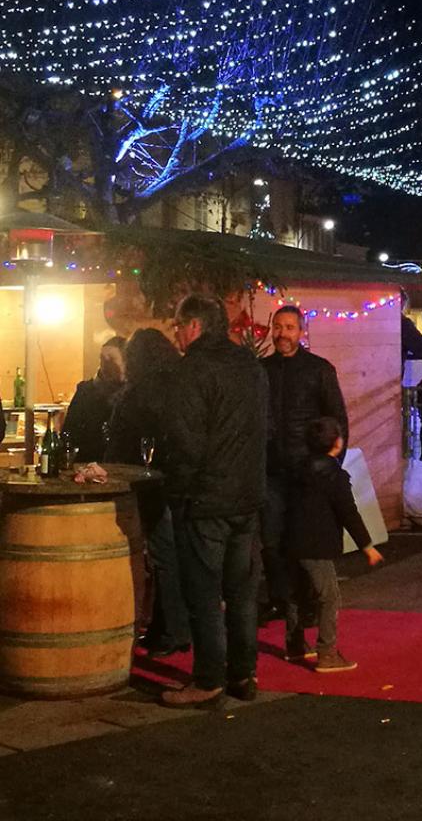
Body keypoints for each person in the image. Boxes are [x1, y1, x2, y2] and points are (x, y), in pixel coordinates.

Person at [160, 294, 268, 708]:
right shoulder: (250, 366)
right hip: (246, 496)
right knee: (241, 593)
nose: (175, 334)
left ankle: (208, 678)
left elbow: (185, 441)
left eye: (177, 325)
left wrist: (181, 491)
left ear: (194, 326)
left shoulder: (191, 371)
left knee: (204, 593)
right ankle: (243, 675)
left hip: (206, 500)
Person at [260, 305, 350, 619]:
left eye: (289, 327)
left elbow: (337, 418)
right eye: (278, 327)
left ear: (301, 332)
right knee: (272, 541)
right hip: (272, 470)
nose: (282, 333)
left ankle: (308, 603)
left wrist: (330, 466)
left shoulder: (319, 370)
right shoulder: (262, 370)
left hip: (306, 472)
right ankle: (280, 599)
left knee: (305, 543)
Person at [106, 327, 189, 657]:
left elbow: (122, 443)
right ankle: (169, 628)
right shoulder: (179, 385)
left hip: (150, 483)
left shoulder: (139, 393)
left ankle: (172, 631)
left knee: (163, 557)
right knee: (174, 556)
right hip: (175, 481)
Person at [284, 417, 383, 671]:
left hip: (292, 539)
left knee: (298, 592)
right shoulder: (335, 476)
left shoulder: (296, 469)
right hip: (317, 544)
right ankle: (327, 653)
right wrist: (367, 546)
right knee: (329, 597)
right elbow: (348, 512)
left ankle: (295, 645)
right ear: (336, 443)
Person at [63, 335, 126, 462]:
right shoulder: (85, 392)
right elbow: (69, 432)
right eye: (102, 359)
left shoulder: (134, 396)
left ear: (126, 361)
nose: (105, 364)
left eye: (111, 359)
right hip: (88, 466)